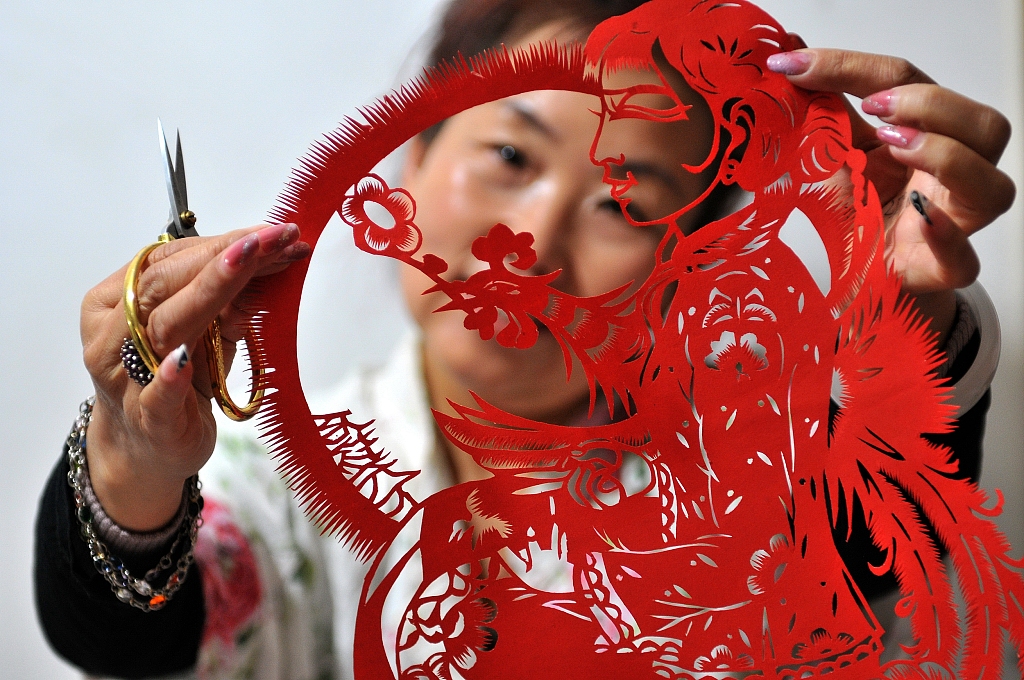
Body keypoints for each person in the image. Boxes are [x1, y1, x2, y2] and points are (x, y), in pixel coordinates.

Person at [34, 0, 1013, 678]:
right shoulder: (272, 480)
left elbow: (871, 557)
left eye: (625, 198)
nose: (534, 240)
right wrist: (133, 458)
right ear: (411, 159)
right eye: (509, 154)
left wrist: (900, 324)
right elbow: (125, 636)